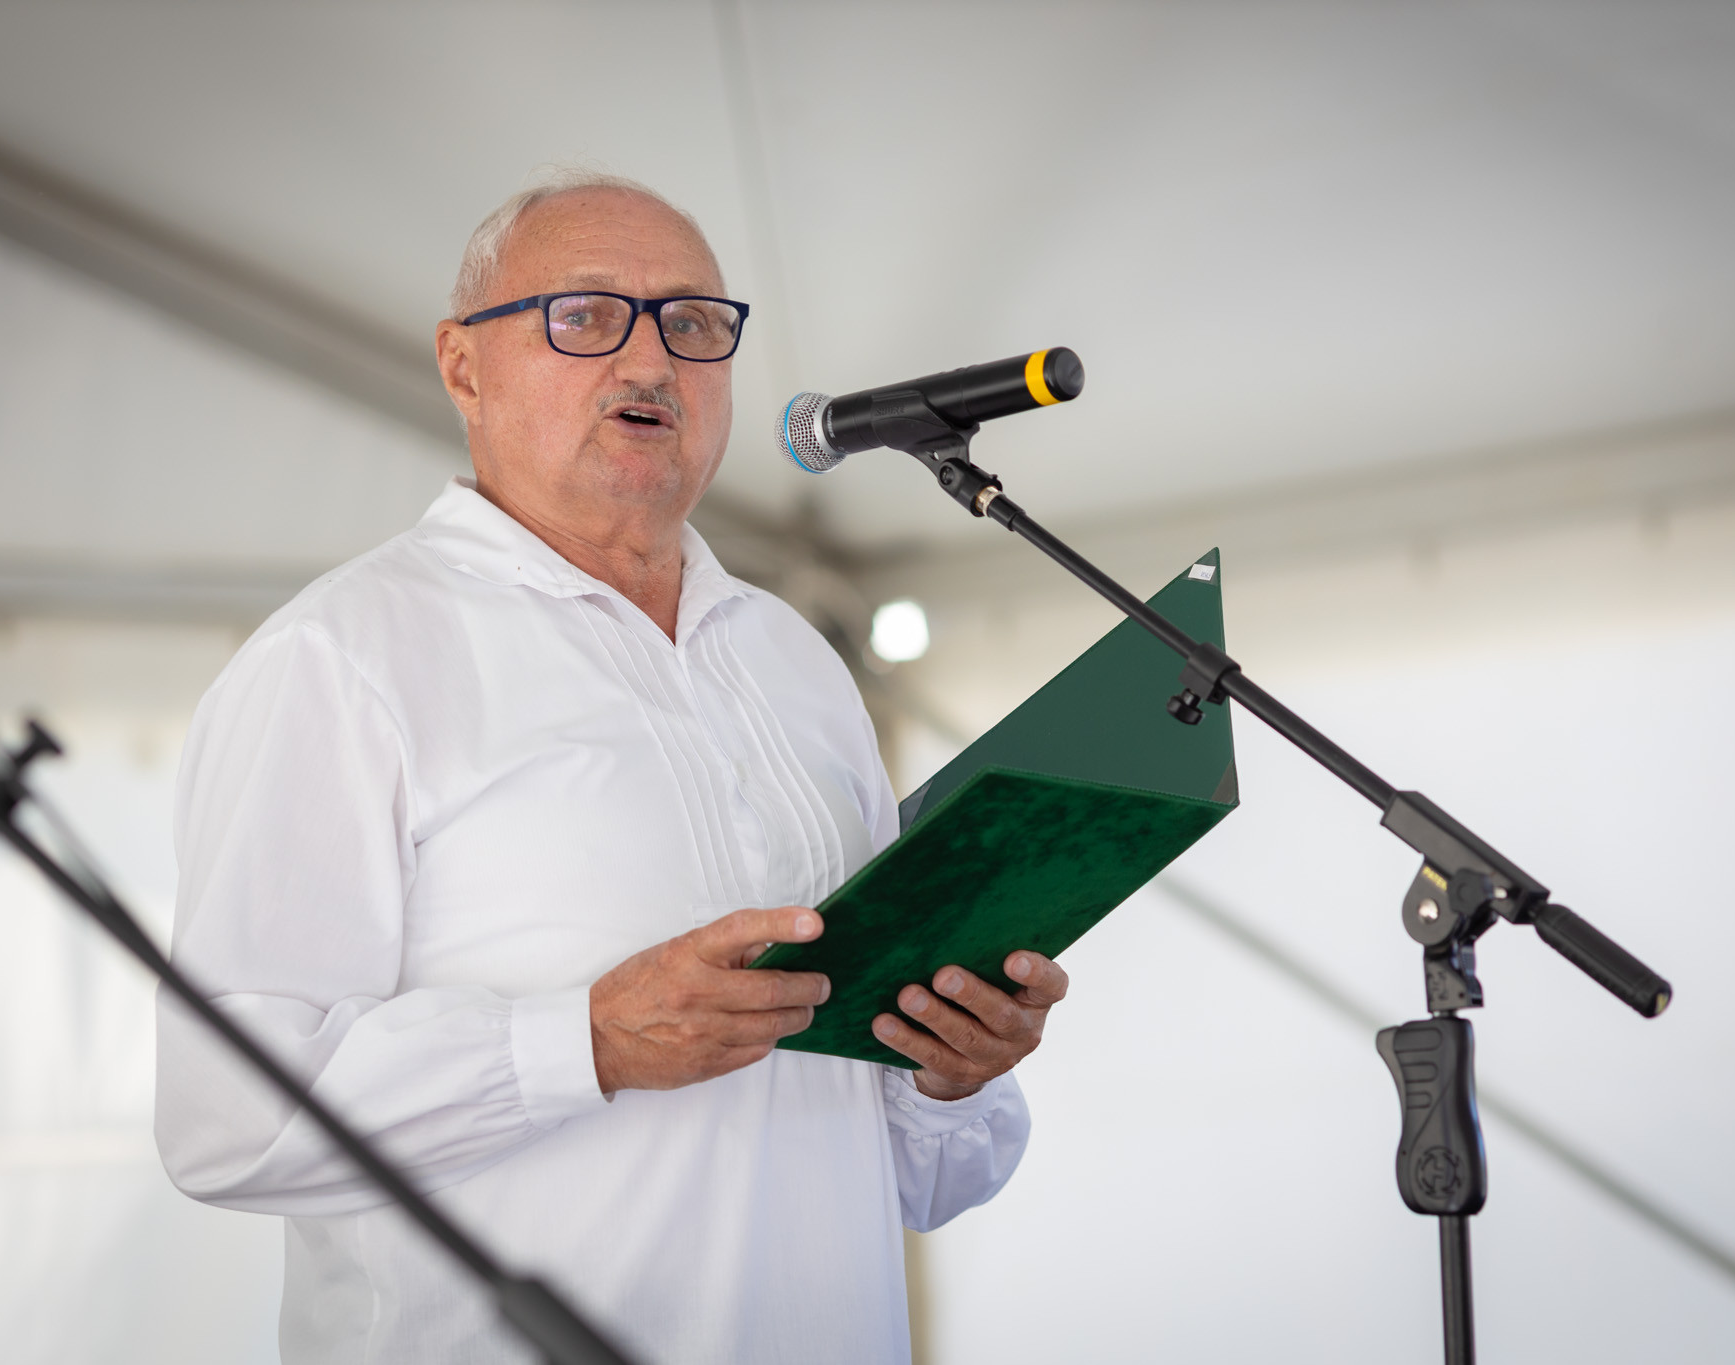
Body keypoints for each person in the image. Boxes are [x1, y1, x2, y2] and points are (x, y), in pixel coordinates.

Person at [154, 172, 1068, 1365]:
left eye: (690, 323)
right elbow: (225, 1119)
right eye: (583, 315)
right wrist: (581, 1043)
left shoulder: (794, 662)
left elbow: (919, 1179)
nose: (649, 361)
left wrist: (951, 1073)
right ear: (463, 367)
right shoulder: (342, 658)